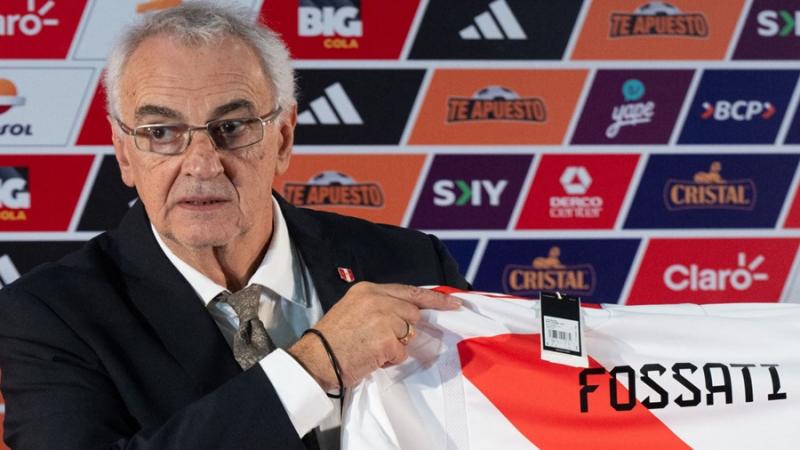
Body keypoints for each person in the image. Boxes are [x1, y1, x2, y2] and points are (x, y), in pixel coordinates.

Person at [0, 3, 468, 449]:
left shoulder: (412, 263)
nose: (202, 164)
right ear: (125, 153)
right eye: (161, 133)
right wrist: (313, 366)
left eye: (233, 126)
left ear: (282, 139)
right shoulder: (48, 316)